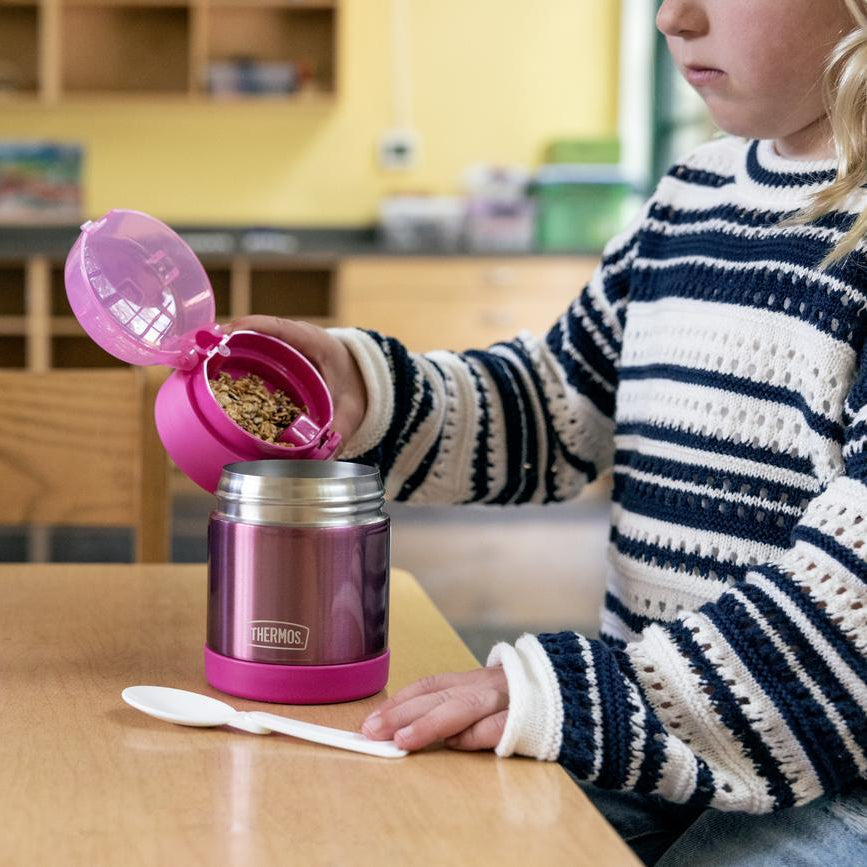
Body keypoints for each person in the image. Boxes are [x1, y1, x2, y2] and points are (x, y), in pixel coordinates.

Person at [230, 1, 867, 862]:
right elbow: (556, 402)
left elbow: (851, 605)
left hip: (840, 771)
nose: (672, 17)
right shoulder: (692, 196)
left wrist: (582, 694)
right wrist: (370, 394)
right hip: (675, 727)